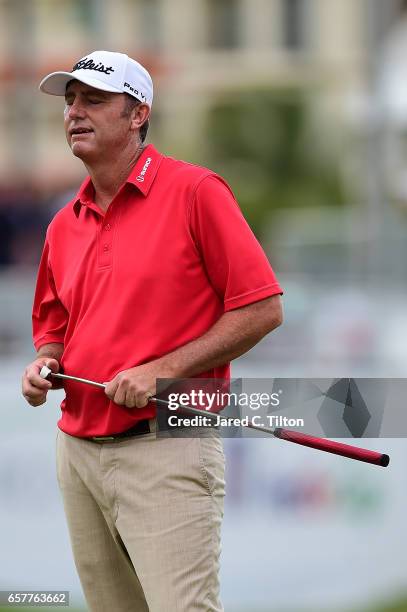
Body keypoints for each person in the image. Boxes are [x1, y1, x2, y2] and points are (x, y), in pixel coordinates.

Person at [21, 50, 283, 612]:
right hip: (79, 452)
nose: (74, 111)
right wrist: (44, 364)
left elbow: (261, 308)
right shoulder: (63, 224)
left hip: (167, 444)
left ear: (138, 114)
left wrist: (162, 371)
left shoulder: (196, 192)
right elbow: (54, 324)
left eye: (94, 99)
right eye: (70, 100)